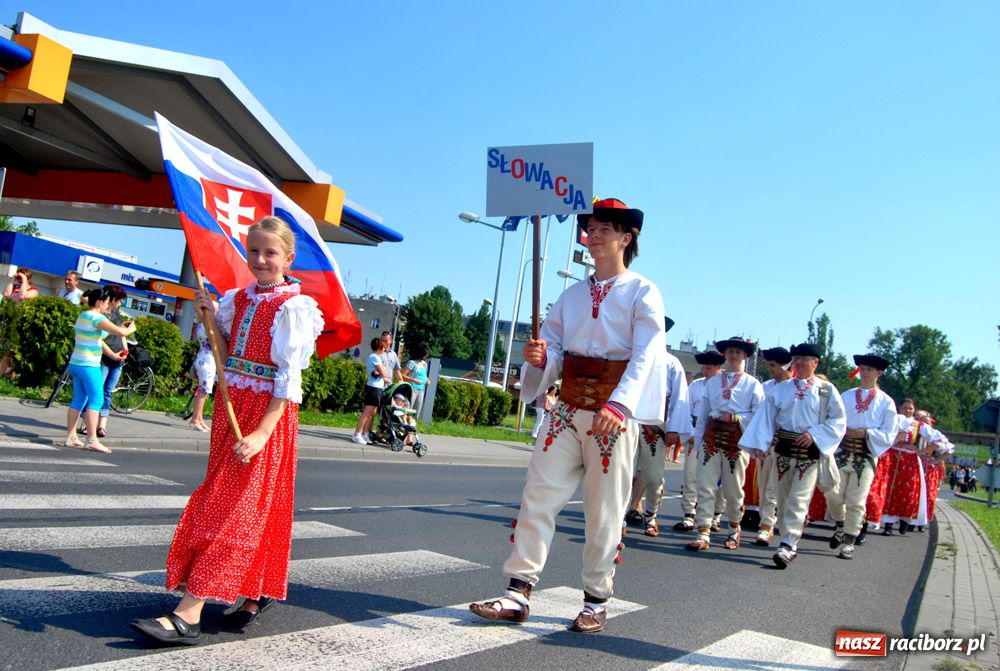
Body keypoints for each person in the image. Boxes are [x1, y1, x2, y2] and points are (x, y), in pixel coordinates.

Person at [469, 197, 667, 634]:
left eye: (602, 229)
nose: (592, 235)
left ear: (625, 237)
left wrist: (621, 404)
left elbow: (646, 354)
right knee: (537, 495)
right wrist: (541, 358)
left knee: (604, 510)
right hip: (567, 409)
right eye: (590, 228)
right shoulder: (571, 294)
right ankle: (517, 592)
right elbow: (555, 348)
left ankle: (596, 599)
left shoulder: (642, 291)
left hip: (612, 416)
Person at [130, 216, 324, 646]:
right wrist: (210, 318)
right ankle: (255, 589)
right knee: (245, 503)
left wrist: (260, 434)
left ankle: (190, 611)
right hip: (231, 407)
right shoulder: (239, 298)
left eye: (270, 253)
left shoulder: (294, 306)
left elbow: (289, 383)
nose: (260, 260)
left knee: (234, 508)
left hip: (265, 418)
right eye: (253, 251)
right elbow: (224, 352)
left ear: (288, 259)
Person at [739, 342, 847, 568]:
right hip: (783, 452)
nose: (798, 362)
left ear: (815, 363)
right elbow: (765, 417)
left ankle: (787, 544)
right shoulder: (781, 389)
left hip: (809, 455)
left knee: (799, 499)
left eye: (803, 359)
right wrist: (760, 443)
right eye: (796, 358)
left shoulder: (826, 390)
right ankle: (790, 543)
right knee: (785, 499)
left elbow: (838, 421)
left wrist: (815, 434)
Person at [686, 337, 764, 552]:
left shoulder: (752, 384)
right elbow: (703, 415)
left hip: (736, 442)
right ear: (725, 355)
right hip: (711, 439)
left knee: (733, 489)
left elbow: (758, 416)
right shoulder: (711, 383)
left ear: (745, 356)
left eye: (738, 352)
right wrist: (699, 443)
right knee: (706, 486)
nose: (733, 355)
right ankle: (703, 532)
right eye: (730, 352)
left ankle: (734, 529)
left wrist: (737, 419)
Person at [825, 354, 898, 559]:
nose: (864, 373)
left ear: (879, 373)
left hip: (865, 456)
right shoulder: (846, 396)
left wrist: (866, 433)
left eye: (869, 369)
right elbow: (833, 419)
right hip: (841, 452)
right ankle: (840, 525)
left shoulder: (886, 402)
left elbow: (889, 434)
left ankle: (849, 540)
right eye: (862, 369)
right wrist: (842, 430)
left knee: (856, 500)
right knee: (833, 494)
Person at [628, 324, 692, 537]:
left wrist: (674, 428)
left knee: (654, 477)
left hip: (655, 425)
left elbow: (680, 398)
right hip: (627, 420)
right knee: (621, 472)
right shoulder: (629, 356)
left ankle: (651, 515)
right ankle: (620, 518)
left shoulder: (671, 362)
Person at [64, 287, 136, 453]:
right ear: (99, 302)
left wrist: (112, 353)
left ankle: (71, 436)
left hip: (76, 363)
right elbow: (120, 332)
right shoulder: (97, 318)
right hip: (89, 365)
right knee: (96, 400)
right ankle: (92, 439)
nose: (107, 304)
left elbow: (99, 338)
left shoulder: (83, 316)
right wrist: (130, 328)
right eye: (106, 301)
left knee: (79, 399)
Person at [673, 350, 725, 533]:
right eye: (703, 367)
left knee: (717, 480)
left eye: (708, 368)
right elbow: (684, 409)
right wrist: (690, 432)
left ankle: (716, 515)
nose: (704, 371)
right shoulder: (695, 386)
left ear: (719, 368)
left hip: (717, 435)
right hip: (695, 434)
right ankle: (689, 514)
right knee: (690, 475)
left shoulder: (725, 387)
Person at [754, 346, 793, 546]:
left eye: (773, 365)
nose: (770, 368)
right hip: (767, 444)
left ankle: (767, 526)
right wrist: (758, 443)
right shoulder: (766, 387)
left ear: (785, 366)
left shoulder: (796, 388)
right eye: (769, 364)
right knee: (763, 486)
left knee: (772, 488)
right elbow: (759, 418)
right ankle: (766, 521)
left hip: (787, 446)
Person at [94, 285, 131, 438]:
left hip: (117, 359)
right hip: (105, 357)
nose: (120, 304)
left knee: (107, 391)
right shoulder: (101, 316)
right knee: (97, 391)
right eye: (119, 300)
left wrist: (125, 350)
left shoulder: (116, 314)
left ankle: (102, 425)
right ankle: (88, 423)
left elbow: (122, 333)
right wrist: (112, 355)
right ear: (113, 299)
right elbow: (99, 339)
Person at [353, 337, 388, 444]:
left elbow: (382, 373)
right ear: (379, 347)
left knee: (372, 412)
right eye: (383, 346)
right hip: (373, 388)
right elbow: (384, 373)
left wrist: (382, 373)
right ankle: (357, 434)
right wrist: (382, 373)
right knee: (367, 412)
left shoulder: (376, 357)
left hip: (377, 387)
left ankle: (366, 433)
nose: (385, 349)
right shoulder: (375, 357)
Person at [188, 308, 217, 432]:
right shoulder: (208, 325)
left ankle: (199, 419)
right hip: (208, 360)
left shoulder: (201, 324)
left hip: (203, 357)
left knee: (203, 390)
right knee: (203, 391)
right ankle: (195, 419)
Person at [401, 342, 429, 419]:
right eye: (425, 354)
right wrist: (414, 380)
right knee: (407, 410)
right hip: (412, 389)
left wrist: (427, 380)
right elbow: (403, 375)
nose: (426, 355)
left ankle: (412, 427)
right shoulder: (412, 363)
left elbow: (424, 376)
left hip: (421, 391)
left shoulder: (424, 364)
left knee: (417, 412)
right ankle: (404, 426)